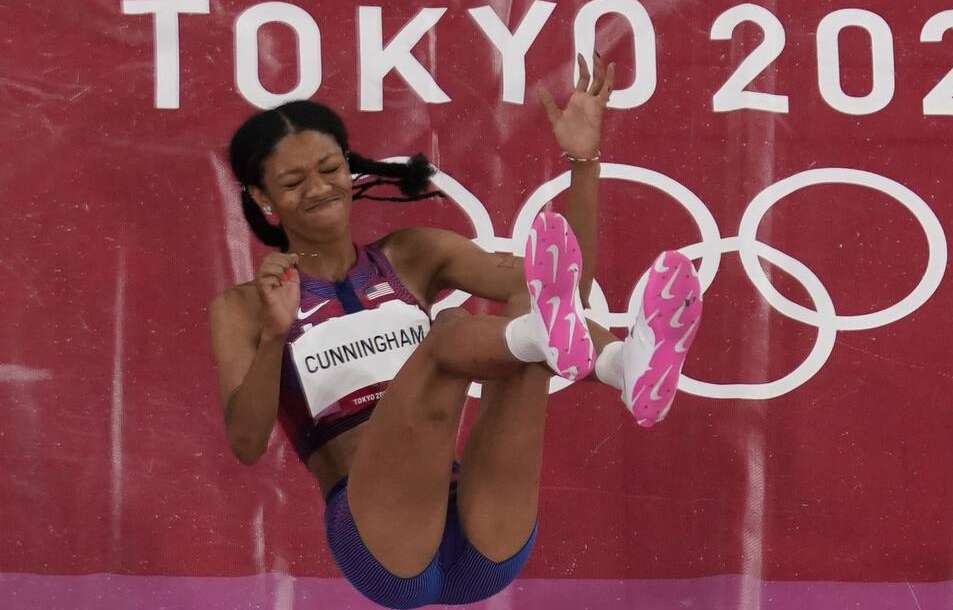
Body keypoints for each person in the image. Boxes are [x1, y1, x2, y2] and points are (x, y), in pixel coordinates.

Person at [208, 55, 704, 609]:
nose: (320, 187)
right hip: (382, 543)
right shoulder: (244, 307)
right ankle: (609, 365)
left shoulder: (414, 253)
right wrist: (276, 334)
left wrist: (583, 160)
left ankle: (625, 366)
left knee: (531, 303)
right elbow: (247, 445)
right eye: (294, 181)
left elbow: (563, 284)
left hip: (483, 532)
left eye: (330, 168)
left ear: (350, 170)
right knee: (449, 331)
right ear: (262, 199)